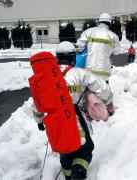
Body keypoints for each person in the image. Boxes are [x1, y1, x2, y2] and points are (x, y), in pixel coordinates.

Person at [32, 41, 113, 180]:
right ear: (73, 58)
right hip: (77, 122)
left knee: (65, 151)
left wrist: (39, 120)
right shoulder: (81, 74)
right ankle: (79, 172)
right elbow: (103, 89)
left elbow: (37, 103)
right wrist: (107, 102)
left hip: (57, 125)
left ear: (57, 58)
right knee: (86, 148)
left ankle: (68, 176)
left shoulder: (46, 79)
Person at [76, 13, 121, 82]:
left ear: (99, 22)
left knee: (89, 91)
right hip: (105, 73)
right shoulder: (114, 36)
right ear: (109, 23)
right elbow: (117, 52)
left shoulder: (89, 31)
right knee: (104, 91)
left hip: (90, 71)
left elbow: (80, 46)